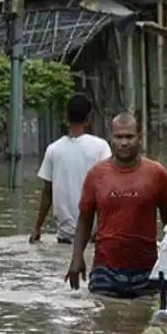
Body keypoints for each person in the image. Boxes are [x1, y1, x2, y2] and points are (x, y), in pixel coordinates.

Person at [65, 111, 167, 299]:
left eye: (129, 137)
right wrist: (77, 259)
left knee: (141, 323)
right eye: (118, 137)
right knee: (104, 321)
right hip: (105, 269)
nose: (124, 142)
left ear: (139, 137)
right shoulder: (96, 174)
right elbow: (84, 220)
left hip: (146, 270)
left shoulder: (156, 173)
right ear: (111, 139)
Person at [29, 94, 112, 244]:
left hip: (64, 237)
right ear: (89, 119)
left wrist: (37, 227)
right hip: (93, 237)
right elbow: (108, 190)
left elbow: (47, 193)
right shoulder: (101, 147)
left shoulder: (53, 150)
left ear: (66, 118)